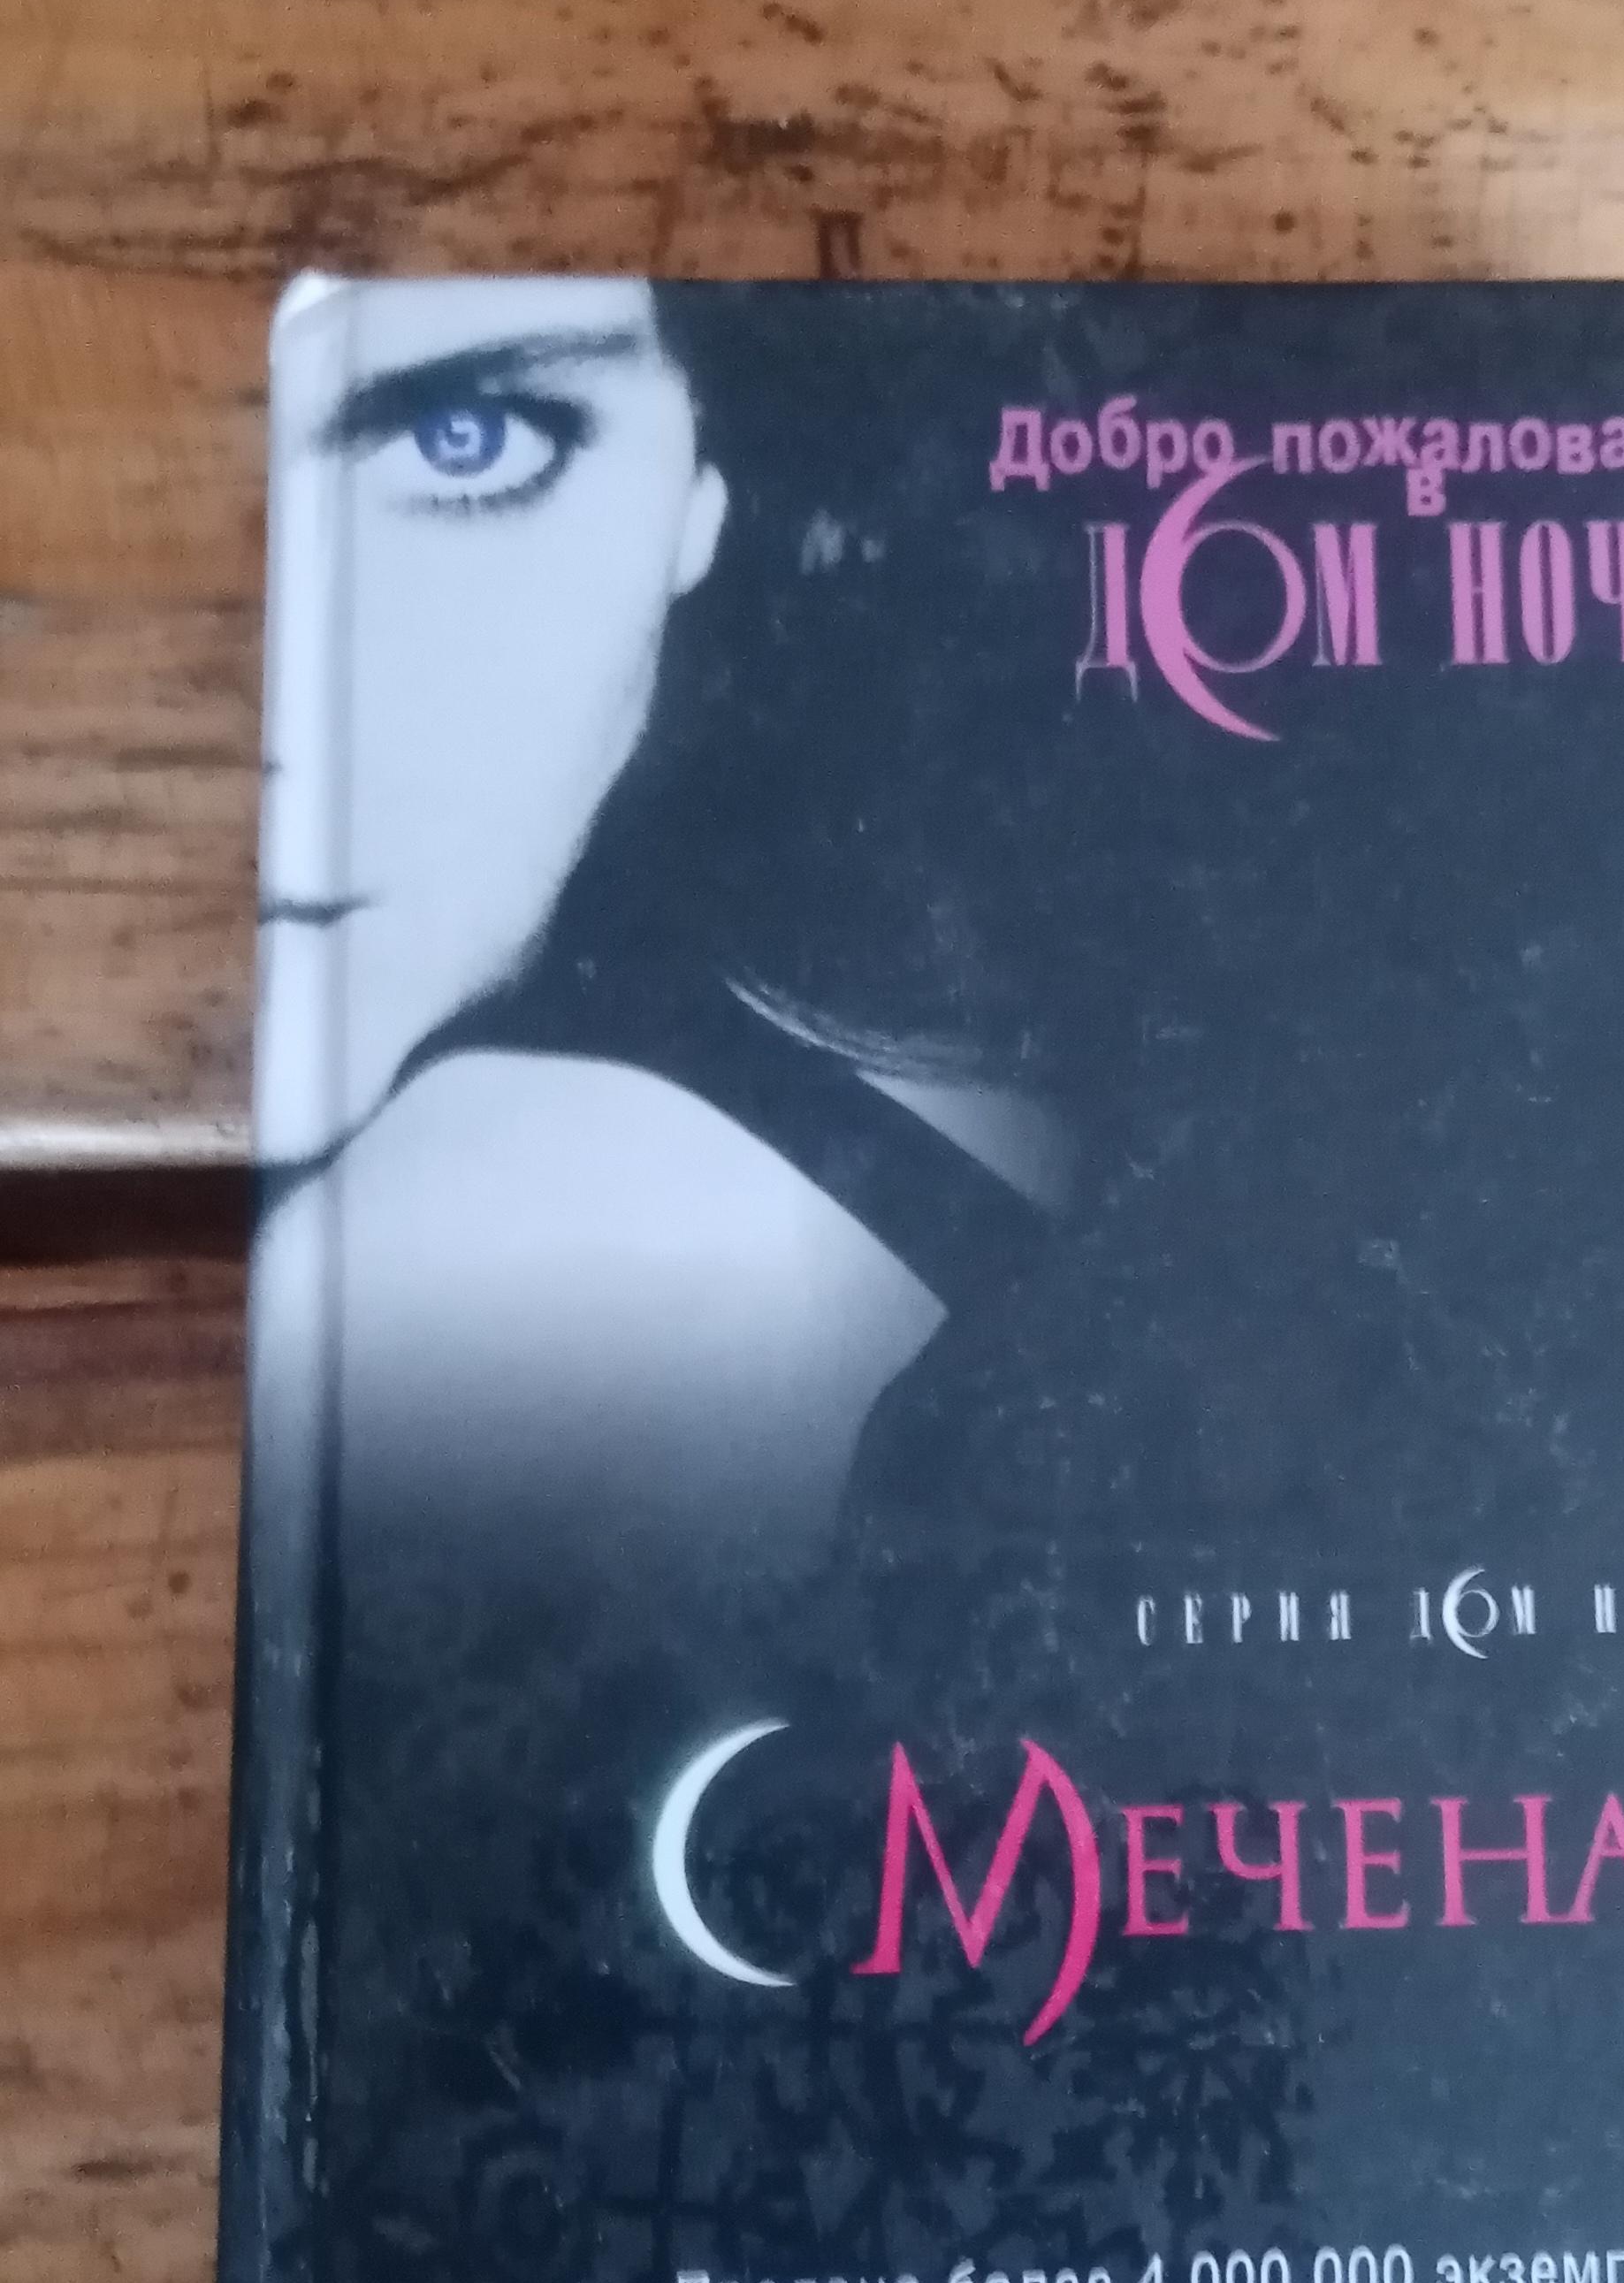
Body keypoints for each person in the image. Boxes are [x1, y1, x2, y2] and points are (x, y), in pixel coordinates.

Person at [248, 274, 1070, 1577]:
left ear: (704, 500)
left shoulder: (480, 1241)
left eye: (469, 439)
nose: (287, 723)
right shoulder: (922, 1083)